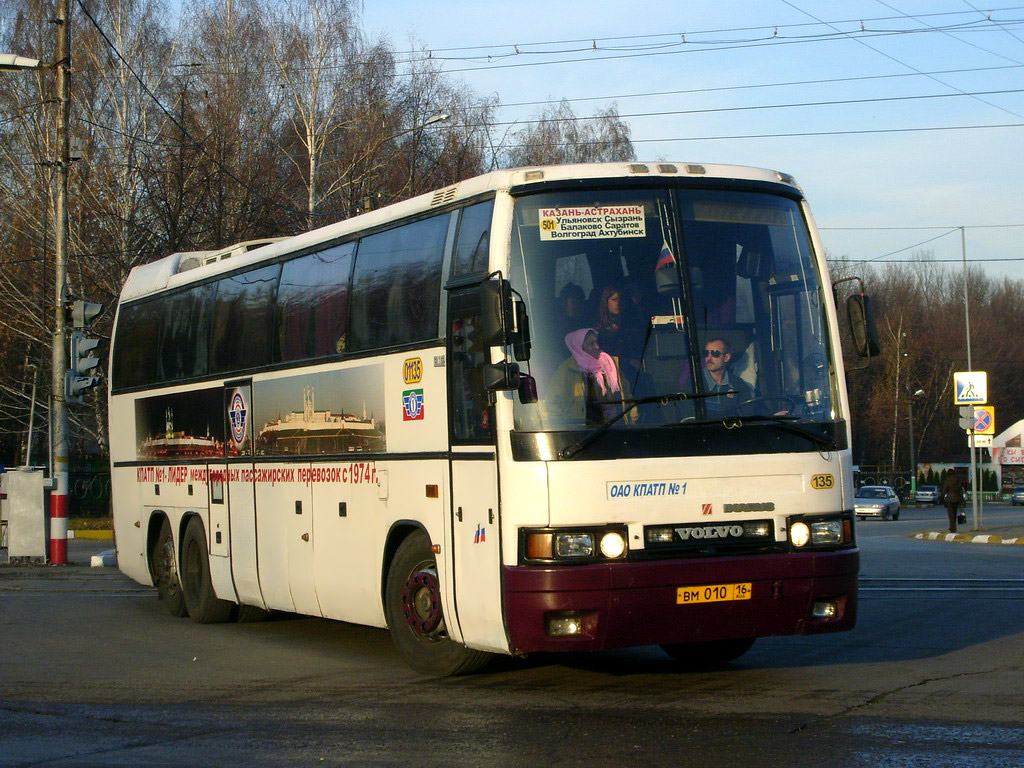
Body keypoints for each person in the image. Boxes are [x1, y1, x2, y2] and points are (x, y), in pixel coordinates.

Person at [550, 328, 628, 425]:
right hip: (581, 432)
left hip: (612, 428)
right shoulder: (566, 370)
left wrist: (633, 422)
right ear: (579, 347)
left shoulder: (610, 364)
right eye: (591, 343)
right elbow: (552, 404)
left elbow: (626, 393)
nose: (597, 346)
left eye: (597, 342)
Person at [701, 337, 753, 416]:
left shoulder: (739, 385)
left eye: (715, 353)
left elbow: (749, 414)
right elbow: (689, 418)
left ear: (726, 357)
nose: (709, 358)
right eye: (706, 353)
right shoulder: (695, 383)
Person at [941, 468, 964, 533]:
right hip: (957, 499)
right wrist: (961, 499)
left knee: (951, 514)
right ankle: (952, 527)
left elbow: (944, 491)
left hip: (949, 499)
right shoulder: (958, 481)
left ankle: (953, 528)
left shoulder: (947, 481)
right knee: (954, 513)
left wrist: (941, 498)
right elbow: (960, 490)